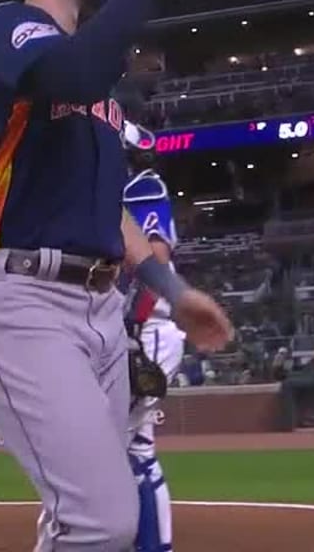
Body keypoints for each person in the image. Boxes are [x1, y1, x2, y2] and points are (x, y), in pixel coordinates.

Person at [0, 0, 233, 552]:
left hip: (100, 308)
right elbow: (73, 73)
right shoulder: (6, 28)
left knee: (84, 520)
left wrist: (172, 289)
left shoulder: (104, 97)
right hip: (21, 300)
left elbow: (110, 211)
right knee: (103, 522)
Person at [118, 119, 186, 552]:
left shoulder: (140, 188)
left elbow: (155, 260)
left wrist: (133, 332)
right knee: (127, 449)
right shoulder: (119, 190)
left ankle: (152, 546)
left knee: (135, 448)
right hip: (133, 330)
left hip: (147, 329)